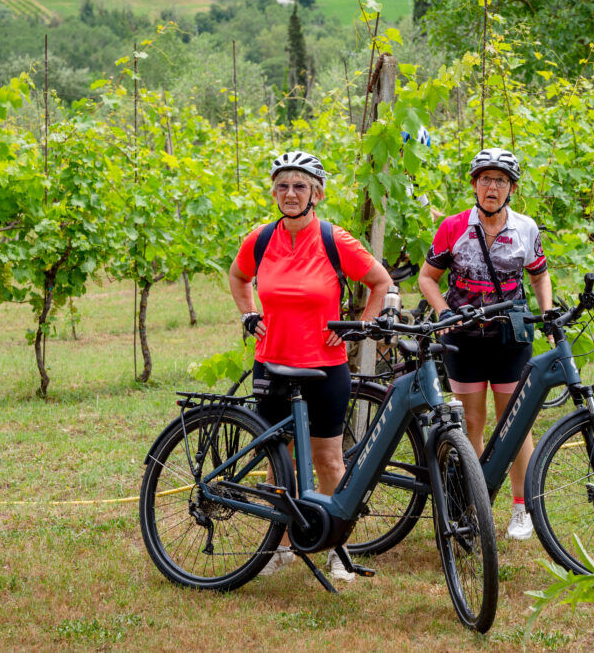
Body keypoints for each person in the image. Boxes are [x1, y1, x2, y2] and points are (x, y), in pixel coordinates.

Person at [229, 150, 392, 580]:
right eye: (282, 185)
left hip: (325, 368)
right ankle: (280, 546)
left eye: (300, 185)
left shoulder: (334, 239)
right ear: (273, 192)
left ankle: (338, 549)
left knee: (328, 462)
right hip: (273, 366)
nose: (290, 193)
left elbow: (380, 282)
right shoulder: (261, 239)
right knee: (278, 461)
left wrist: (360, 326)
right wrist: (249, 314)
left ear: (316, 192)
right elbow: (238, 276)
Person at [417, 147, 552, 540]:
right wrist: (443, 311)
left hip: (511, 338)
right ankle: (474, 508)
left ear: (511, 189)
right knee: (471, 424)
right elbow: (428, 277)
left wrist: (544, 313)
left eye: (501, 181)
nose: (492, 187)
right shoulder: (452, 226)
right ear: (475, 185)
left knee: (515, 426)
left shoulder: (526, 228)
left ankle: (521, 509)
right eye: (485, 180)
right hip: (464, 340)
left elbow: (540, 274)